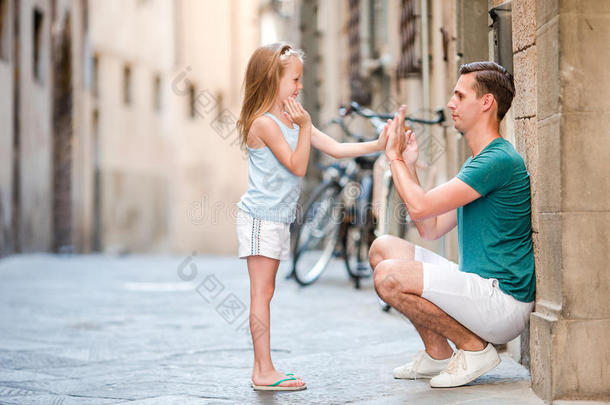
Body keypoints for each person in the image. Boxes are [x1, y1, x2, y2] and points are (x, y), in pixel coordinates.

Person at [369, 61, 535, 388]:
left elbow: (420, 204)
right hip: (476, 285)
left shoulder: (497, 160)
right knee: (383, 247)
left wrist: (395, 159)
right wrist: (411, 166)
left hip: (502, 301)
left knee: (388, 277)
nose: (450, 103)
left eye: (460, 95)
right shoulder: (477, 162)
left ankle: (474, 350)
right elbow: (429, 226)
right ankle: (438, 354)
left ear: (486, 103)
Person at [236, 42, 387, 391]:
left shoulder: (292, 118)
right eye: (295, 79)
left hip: (272, 219)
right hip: (260, 218)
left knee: (266, 292)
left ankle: (264, 368)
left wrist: (379, 144)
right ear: (273, 80)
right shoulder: (265, 124)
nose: (300, 86)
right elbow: (298, 165)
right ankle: (263, 371)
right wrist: (304, 127)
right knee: (262, 293)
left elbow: (334, 149)